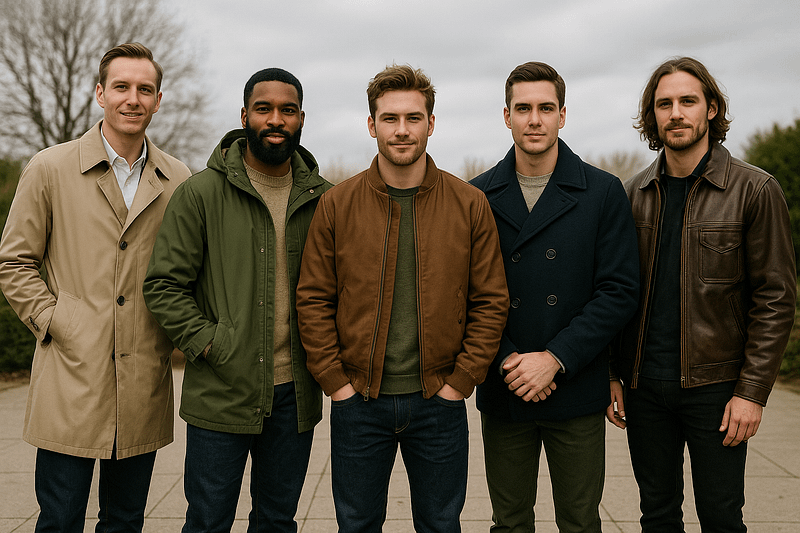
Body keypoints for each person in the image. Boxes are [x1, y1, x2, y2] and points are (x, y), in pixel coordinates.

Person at [296, 64, 509, 533]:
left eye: (413, 118)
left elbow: (490, 300)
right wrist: (337, 384)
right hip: (359, 402)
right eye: (389, 119)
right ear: (372, 125)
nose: (402, 130)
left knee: (440, 523)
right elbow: (313, 299)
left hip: (439, 401)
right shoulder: (338, 204)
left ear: (431, 124)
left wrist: (461, 381)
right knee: (356, 524)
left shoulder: (469, 203)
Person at [0, 43, 190, 533]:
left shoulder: (179, 181)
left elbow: (189, 272)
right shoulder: (49, 168)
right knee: (59, 519)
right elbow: (15, 261)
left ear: (159, 99)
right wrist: (56, 321)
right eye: (122, 87)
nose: (133, 99)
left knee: (125, 520)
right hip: (70, 374)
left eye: (144, 89)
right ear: (100, 93)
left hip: (143, 378)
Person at [611, 56, 796, 532]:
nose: (676, 113)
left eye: (687, 101)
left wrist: (751, 393)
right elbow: (615, 293)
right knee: (656, 516)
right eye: (664, 104)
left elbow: (775, 299)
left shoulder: (754, 190)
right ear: (652, 116)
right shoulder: (632, 195)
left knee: (720, 516)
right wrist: (613, 373)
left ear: (711, 108)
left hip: (718, 389)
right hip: (644, 389)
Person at [142, 68, 331, 533]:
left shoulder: (325, 200)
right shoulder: (200, 194)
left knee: (277, 520)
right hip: (221, 391)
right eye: (263, 108)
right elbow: (163, 285)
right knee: (208, 521)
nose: (275, 119)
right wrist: (211, 344)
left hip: (294, 396)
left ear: (301, 118)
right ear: (244, 115)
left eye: (287, 110)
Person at [470, 61, 640, 533]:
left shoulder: (602, 192)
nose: (534, 119)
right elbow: (463, 295)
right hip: (506, 387)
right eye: (523, 108)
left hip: (575, 385)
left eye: (546, 108)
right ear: (506, 116)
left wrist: (555, 358)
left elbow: (619, 290)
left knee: (581, 522)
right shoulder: (476, 195)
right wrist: (509, 362)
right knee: (509, 522)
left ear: (563, 115)